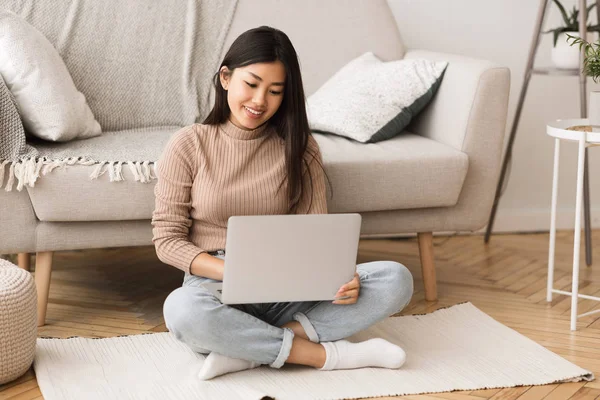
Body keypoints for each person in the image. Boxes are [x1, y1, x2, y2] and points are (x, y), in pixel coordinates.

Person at [152, 26, 414, 381]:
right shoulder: (189, 144)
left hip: (290, 285)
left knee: (395, 279)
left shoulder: (300, 149)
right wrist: (235, 272)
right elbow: (167, 240)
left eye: (275, 91)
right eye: (252, 84)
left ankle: (246, 350)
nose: (260, 100)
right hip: (218, 284)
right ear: (226, 78)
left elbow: (316, 235)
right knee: (182, 311)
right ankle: (323, 354)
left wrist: (341, 277)